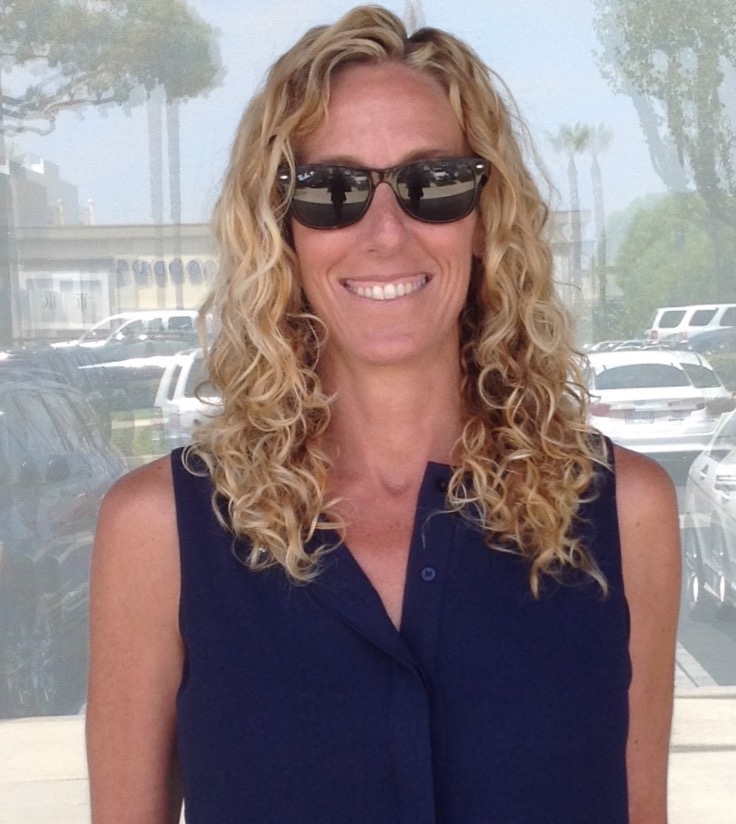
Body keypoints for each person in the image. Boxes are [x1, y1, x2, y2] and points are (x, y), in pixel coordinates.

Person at [86, 6, 681, 823]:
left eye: (433, 183)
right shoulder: (158, 532)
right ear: (282, 229)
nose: (386, 233)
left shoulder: (625, 514)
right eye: (333, 191)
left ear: (485, 218)